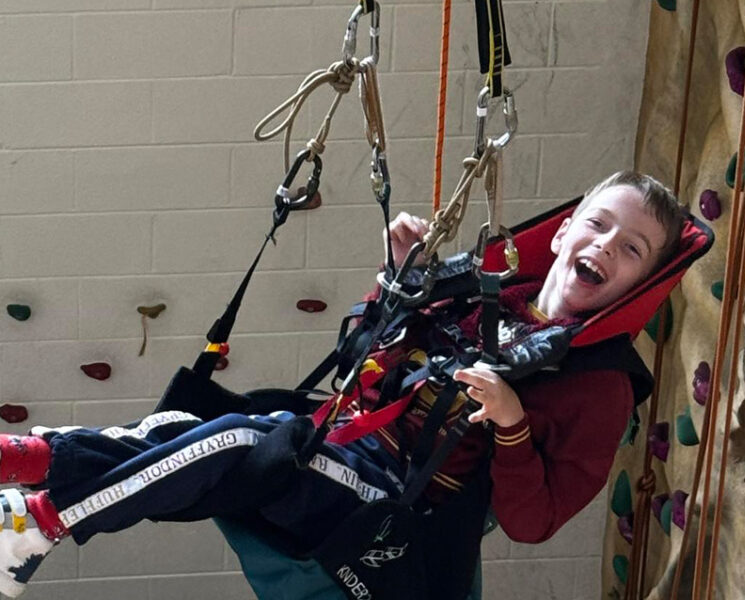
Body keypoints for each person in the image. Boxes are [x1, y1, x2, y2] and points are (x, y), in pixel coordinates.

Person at [0, 170, 685, 598]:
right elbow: (358, 353)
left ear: (641, 283)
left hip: (391, 504)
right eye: (599, 225)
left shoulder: (600, 386)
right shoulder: (484, 287)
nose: (605, 246)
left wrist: (511, 424)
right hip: (340, 439)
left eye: (631, 249)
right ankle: (24, 462)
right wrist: (395, 281)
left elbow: (535, 523)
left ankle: (41, 520)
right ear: (565, 232)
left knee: (237, 441)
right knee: (182, 433)